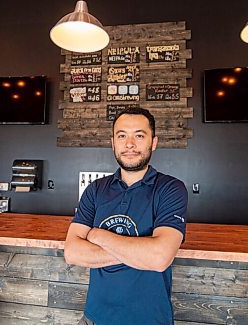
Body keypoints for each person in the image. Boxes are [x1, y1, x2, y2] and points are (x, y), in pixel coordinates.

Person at [64, 107, 188, 325]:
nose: (130, 144)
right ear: (113, 142)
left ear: (154, 142)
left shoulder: (170, 189)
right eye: (122, 136)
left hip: (148, 320)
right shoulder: (95, 190)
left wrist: (98, 236)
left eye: (139, 135)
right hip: (94, 318)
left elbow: (159, 258)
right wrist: (140, 252)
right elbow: (72, 253)